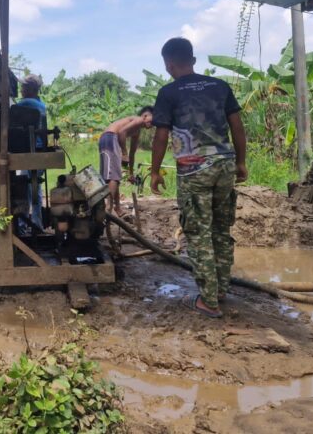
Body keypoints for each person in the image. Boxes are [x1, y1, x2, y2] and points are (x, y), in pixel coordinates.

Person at [150, 37, 247, 319]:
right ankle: (220, 289)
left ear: (168, 65)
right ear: (192, 60)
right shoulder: (220, 86)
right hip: (225, 165)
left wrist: (155, 171)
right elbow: (237, 127)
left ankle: (208, 301)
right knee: (220, 229)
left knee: (198, 233)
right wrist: (240, 161)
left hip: (194, 171)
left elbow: (160, 136)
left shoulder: (168, 92)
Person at [98, 106, 154, 216]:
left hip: (107, 139)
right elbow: (121, 132)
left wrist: (131, 173)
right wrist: (124, 153)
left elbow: (132, 153)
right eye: (153, 119)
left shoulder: (137, 132)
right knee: (113, 177)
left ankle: (117, 208)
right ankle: (108, 208)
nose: (152, 124)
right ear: (145, 115)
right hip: (110, 137)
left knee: (115, 175)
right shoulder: (138, 120)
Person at [17, 75, 47, 230]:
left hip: (31, 150)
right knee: (34, 188)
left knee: (27, 190)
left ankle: (24, 225)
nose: (21, 90)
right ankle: (36, 223)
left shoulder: (26, 103)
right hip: (38, 150)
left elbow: (6, 112)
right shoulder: (41, 104)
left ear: (31, 89)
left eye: (24, 87)